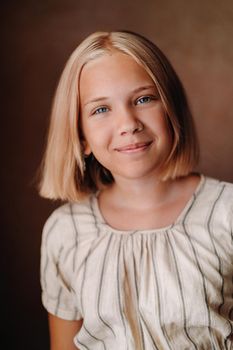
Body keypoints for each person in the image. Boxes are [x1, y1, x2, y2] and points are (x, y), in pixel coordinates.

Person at [39, 30, 233, 350]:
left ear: (171, 109)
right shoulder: (65, 232)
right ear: (81, 136)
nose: (128, 123)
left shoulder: (225, 212)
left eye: (143, 99)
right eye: (101, 109)